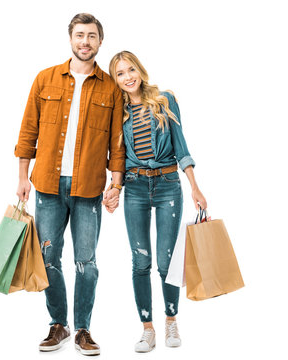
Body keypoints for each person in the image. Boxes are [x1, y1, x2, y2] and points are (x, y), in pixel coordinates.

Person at [14, 13, 125, 356]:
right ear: (70, 39)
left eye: (92, 36)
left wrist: (115, 185)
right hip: (46, 184)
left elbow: (117, 145)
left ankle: (82, 330)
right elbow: (27, 131)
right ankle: (58, 324)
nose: (85, 42)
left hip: (89, 189)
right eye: (80, 35)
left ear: (100, 42)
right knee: (49, 257)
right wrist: (21, 177)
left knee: (87, 262)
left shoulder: (110, 87)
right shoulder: (45, 79)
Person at [106, 50, 207, 353]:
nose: (127, 77)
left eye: (131, 69)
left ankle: (171, 320)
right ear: (116, 79)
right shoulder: (118, 111)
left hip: (167, 186)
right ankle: (146, 329)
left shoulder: (164, 100)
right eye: (120, 73)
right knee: (141, 262)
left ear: (140, 70)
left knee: (166, 263)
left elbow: (181, 143)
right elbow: (116, 156)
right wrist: (115, 187)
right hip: (135, 187)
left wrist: (195, 186)